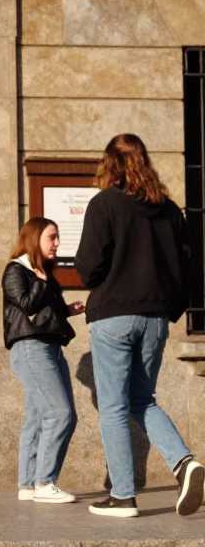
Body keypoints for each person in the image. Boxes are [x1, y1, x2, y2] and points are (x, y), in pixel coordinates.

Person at [74, 133, 205, 518]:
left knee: (114, 406)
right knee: (142, 400)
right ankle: (184, 463)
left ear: (110, 164)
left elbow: (88, 266)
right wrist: (171, 308)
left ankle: (123, 495)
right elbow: (187, 267)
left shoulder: (104, 204)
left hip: (114, 314)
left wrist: (100, 280)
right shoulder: (168, 210)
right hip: (156, 317)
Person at [3, 218, 84, 503]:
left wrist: (68, 310)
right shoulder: (16, 270)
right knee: (61, 414)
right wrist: (41, 279)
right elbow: (26, 304)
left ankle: (27, 485)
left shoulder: (41, 273)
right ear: (35, 239)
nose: (57, 243)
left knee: (37, 418)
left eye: (58, 237)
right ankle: (44, 483)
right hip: (31, 348)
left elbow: (48, 311)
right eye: (52, 237)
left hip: (50, 348)